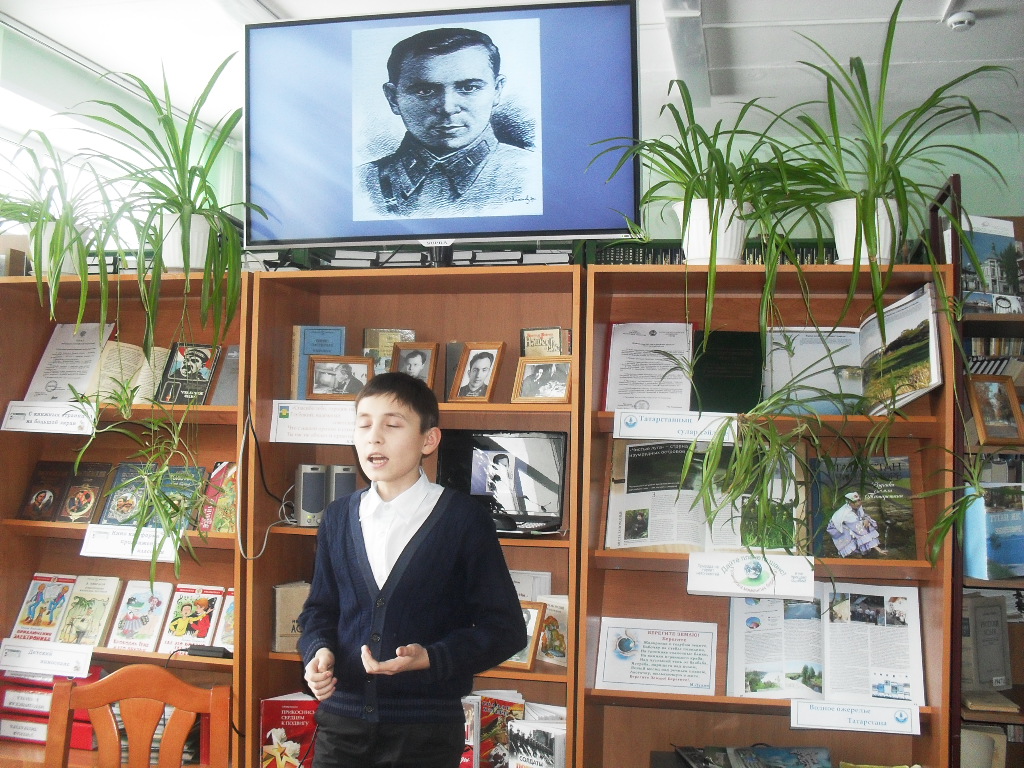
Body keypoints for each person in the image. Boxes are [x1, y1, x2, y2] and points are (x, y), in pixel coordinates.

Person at [299, 372, 526, 768]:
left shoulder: (463, 519)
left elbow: (505, 629)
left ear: (428, 440)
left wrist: (432, 658)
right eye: (364, 424)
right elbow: (320, 610)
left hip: (425, 732)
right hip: (342, 725)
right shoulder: (337, 517)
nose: (374, 437)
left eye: (392, 425)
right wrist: (317, 651)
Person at [357, 27, 539, 218]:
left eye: (469, 88)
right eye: (425, 91)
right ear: (393, 99)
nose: (447, 108)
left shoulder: (534, 174)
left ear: (497, 91)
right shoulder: (358, 184)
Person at [826, 491, 887, 557]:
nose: (858, 503)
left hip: (850, 524)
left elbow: (863, 516)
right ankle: (851, 554)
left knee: (866, 524)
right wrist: (878, 549)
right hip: (837, 529)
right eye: (855, 502)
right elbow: (860, 531)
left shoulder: (857, 508)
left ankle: (865, 550)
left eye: (859, 500)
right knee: (856, 532)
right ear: (849, 503)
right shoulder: (848, 514)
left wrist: (866, 519)